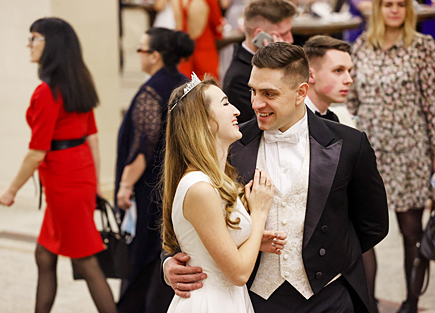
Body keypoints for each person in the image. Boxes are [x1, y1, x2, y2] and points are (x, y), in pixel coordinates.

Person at [164, 42, 389, 312]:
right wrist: (169, 261)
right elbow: (186, 213)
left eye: (269, 93)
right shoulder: (229, 144)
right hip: (254, 298)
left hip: (330, 297)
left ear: (300, 92)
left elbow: (373, 223)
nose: (257, 103)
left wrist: (330, 258)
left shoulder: (349, 144)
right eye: (253, 91)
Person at [0, 18, 116, 313]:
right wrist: (94, 185)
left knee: (86, 261)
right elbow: (93, 139)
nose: (29, 43)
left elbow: (37, 153)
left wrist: (11, 191)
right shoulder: (78, 82)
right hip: (78, 176)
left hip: (64, 183)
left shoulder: (46, 92)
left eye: (35, 37)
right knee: (44, 255)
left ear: (52, 45)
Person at [163, 74, 284, 312]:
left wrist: (253, 241)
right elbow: (238, 273)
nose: (237, 110)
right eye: (226, 104)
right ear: (204, 121)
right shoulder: (199, 188)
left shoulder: (216, 180)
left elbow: (214, 245)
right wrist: (259, 214)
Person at [345, 0, 435, 311]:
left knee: (412, 232)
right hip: (370, 152)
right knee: (364, 231)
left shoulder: (422, 47)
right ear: (378, 9)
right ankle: (367, 303)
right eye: (388, 4)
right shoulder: (361, 46)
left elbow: (432, 103)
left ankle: (411, 301)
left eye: (400, 4)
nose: (394, 10)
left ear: (408, 10)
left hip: (411, 152)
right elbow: (351, 100)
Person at [114, 28, 194, 313]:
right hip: (175, 185)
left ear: (155, 56)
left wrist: (125, 186)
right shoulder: (185, 85)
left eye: (141, 49)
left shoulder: (151, 90)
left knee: (141, 260)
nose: (138, 55)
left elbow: (141, 147)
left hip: (149, 189)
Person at [304, 34, 380, 313]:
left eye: (350, 71)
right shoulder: (297, 125)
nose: (349, 79)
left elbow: (370, 214)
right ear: (310, 75)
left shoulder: (340, 121)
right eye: (338, 71)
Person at [223, 0, 297, 124]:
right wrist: (278, 65)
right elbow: (264, 126)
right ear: (260, 35)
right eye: (283, 34)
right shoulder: (239, 78)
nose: (290, 39)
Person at [171, 0, 224, 80]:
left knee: (185, 85)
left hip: (184, 48)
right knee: (208, 85)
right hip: (204, 46)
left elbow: (178, 25)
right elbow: (216, 24)